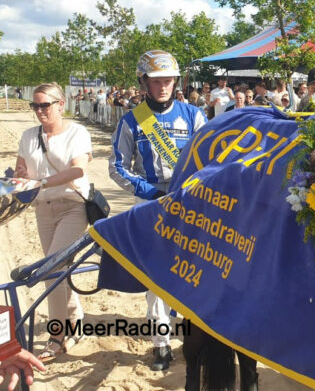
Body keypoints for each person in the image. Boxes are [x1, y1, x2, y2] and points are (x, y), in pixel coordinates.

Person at [109, 50, 207, 371]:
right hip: (150, 205)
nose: (163, 87)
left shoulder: (194, 115)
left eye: (168, 81)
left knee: (194, 272)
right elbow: (117, 167)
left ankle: (193, 337)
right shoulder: (131, 120)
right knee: (156, 279)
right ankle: (161, 344)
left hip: (189, 205)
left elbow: (210, 160)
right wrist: (147, 191)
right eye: (156, 82)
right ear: (144, 83)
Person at [15, 83, 93, 362]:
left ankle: (57, 336)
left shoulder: (77, 132)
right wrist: (19, 178)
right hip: (42, 210)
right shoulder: (27, 136)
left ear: (61, 104)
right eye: (34, 105)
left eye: (44, 105)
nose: (39, 111)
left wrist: (42, 181)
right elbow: (20, 170)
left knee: (51, 269)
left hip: (72, 207)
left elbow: (78, 168)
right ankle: (76, 319)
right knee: (58, 270)